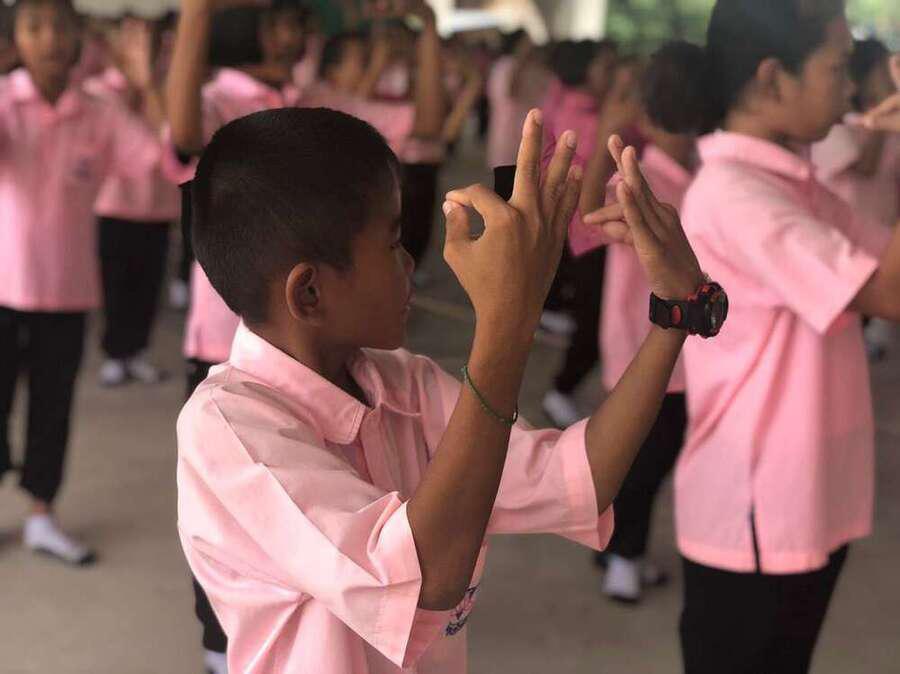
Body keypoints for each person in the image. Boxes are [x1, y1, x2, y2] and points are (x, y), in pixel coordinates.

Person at [176, 104, 721, 672]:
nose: (411, 262)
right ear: (308, 293)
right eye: (392, 244)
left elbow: (578, 478)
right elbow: (426, 576)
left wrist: (675, 313)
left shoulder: (399, 382)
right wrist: (508, 320)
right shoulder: (228, 434)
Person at [586, 1, 900, 671]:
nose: (851, 87)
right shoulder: (736, 193)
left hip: (802, 497)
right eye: (838, 67)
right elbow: (890, 292)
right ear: (772, 78)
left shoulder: (784, 180)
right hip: (759, 508)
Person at [0, 0, 165, 565]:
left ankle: (41, 515)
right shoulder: (5, 100)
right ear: (16, 39)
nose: (49, 38)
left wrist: (146, 86)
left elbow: (161, 161)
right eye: (35, 26)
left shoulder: (99, 110)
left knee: (53, 408)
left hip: (67, 290)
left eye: (60, 26)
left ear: (79, 38)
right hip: (2, 287)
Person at [578, 42, 701, 603]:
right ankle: (623, 555)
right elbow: (588, 218)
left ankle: (618, 548)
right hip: (646, 347)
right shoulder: (642, 177)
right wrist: (609, 129)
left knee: (646, 454)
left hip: (668, 346)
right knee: (644, 458)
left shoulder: (691, 177)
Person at [539, 41, 642, 428]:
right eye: (607, 68)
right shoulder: (581, 115)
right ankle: (561, 388)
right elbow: (600, 165)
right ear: (584, 72)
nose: (612, 75)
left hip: (591, 230)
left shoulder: (588, 107)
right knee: (595, 318)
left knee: (594, 310)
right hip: (590, 231)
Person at [87, 17, 178, 386]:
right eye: (130, 39)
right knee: (114, 286)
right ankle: (114, 352)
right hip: (113, 204)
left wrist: (150, 86)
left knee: (148, 285)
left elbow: (172, 138)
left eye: (148, 40)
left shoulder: (168, 88)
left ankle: (137, 351)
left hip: (158, 206)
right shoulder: (100, 90)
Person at [812, 40, 899, 360]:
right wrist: (879, 122)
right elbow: (866, 166)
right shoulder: (835, 126)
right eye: (882, 71)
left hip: (881, 232)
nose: (888, 79)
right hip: (848, 241)